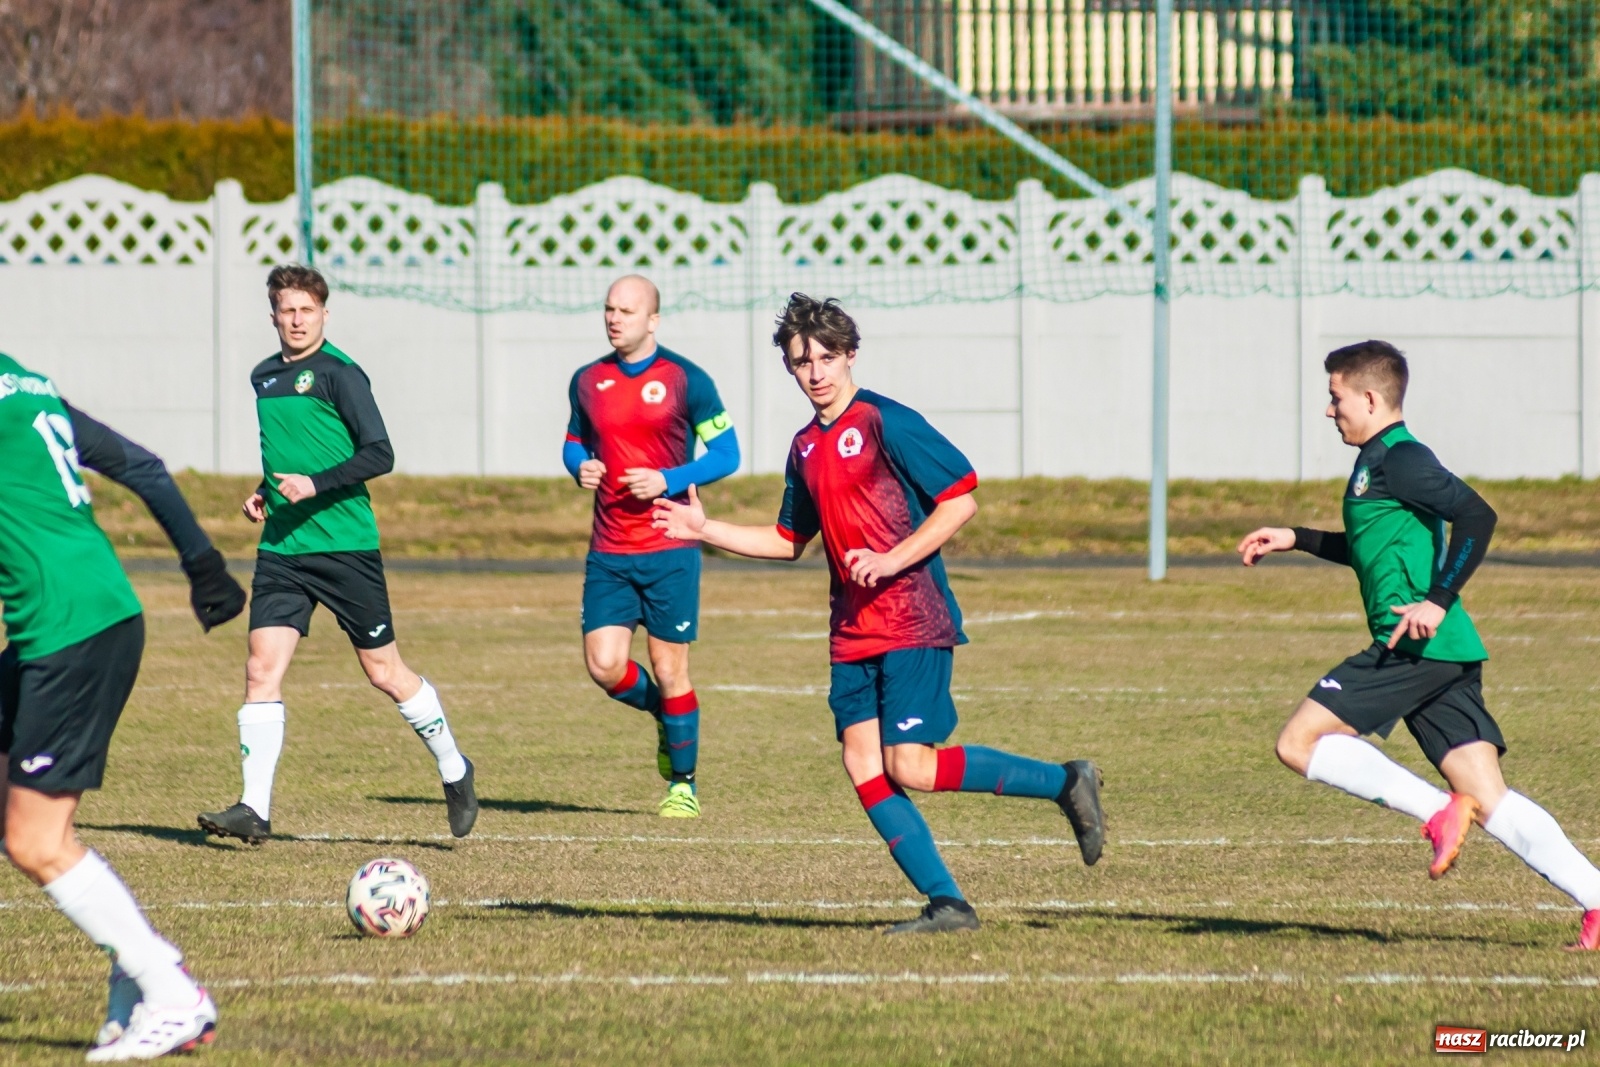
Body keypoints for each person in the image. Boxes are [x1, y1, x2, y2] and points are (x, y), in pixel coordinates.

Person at [651, 293, 1105, 932]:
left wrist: (892, 561)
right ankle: (948, 904)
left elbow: (961, 500)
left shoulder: (886, 421)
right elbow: (788, 542)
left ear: (850, 355)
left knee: (909, 765)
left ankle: (1064, 782)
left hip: (912, 619)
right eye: (801, 360)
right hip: (852, 630)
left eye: (827, 357)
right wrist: (703, 528)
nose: (816, 371)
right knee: (862, 763)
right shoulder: (805, 447)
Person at [1238, 340, 1600, 951]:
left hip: (1415, 642)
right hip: (1446, 651)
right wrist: (1295, 537)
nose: (1330, 411)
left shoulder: (1402, 460)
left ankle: (1437, 812)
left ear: (1370, 397)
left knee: (1298, 743)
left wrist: (1437, 598)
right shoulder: (1376, 462)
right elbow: (1370, 548)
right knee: (1489, 796)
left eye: (1336, 397)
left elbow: (1477, 516)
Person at [0, 352, 249, 1059]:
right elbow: (140, 464)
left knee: (35, 840)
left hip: (72, 632)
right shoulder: (23, 382)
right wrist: (203, 564)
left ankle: (170, 991)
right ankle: (134, 961)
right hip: (67, 621)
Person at [198, 265, 477, 844]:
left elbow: (380, 453)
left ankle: (454, 766)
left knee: (384, 672)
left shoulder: (341, 374)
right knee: (259, 670)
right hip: (282, 548)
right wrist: (264, 489)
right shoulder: (263, 377)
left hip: (344, 546)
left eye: (307, 310)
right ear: (272, 315)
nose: (297, 320)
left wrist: (317, 484)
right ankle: (254, 810)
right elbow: (288, 452)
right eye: (287, 310)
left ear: (324, 313)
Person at [564, 275, 740, 818]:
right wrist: (580, 467)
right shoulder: (587, 380)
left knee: (669, 668)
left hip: (669, 547)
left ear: (653, 321)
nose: (614, 318)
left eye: (627, 311)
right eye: (609, 309)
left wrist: (668, 478)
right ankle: (669, 717)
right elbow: (574, 442)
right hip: (610, 551)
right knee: (604, 665)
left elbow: (727, 453)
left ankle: (682, 785)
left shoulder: (688, 380)